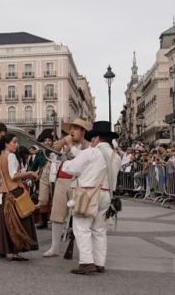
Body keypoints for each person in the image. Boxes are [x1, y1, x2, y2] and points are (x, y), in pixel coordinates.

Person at [62, 121, 121, 275]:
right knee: (99, 229)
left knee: (81, 227)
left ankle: (87, 262)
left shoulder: (92, 152)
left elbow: (71, 168)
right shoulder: (116, 156)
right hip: (107, 194)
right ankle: (99, 262)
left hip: (88, 194)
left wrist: (65, 163)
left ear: (96, 138)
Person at [43, 117, 91, 258]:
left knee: (79, 215)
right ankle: (55, 247)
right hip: (62, 180)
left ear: (82, 131)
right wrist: (64, 141)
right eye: (72, 128)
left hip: (78, 182)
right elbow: (51, 150)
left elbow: (84, 160)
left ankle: (84, 251)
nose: (72, 131)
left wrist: (71, 146)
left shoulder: (88, 146)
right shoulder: (66, 141)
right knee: (57, 214)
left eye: (75, 128)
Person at [0, 133, 39, 261]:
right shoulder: (11, 156)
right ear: (7, 143)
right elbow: (13, 175)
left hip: (3, 192)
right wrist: (30, 173)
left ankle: (1, 248)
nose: (16, 145)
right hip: (14, 191)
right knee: (19, 222)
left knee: (4, 222)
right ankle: (16, 251)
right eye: (14, 142)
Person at [30, 129, 56, 229]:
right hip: (44, 177)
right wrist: (30, 173)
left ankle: (54, 221)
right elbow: (34, 165)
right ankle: (44, 222)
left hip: (54, 177)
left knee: (54, 200)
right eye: (45, 141)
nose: (47, 142)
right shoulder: (40, 153)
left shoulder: (56, 152)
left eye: (49, 140)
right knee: (43, 199)